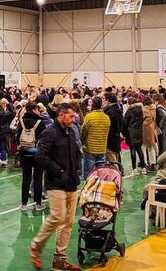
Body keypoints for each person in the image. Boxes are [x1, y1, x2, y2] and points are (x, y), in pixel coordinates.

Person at [30, 103, 82, 271]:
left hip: (72, 183)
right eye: (71, 116)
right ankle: (36, 246)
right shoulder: (49, 133)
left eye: (74, 117)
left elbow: (76, 152)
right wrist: (58, 171)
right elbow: (40, 157)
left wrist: (77, 169)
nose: (73, 120)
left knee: (67, 223)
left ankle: (60, 260)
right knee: (58, 217)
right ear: (61, 115)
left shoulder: (71, 132)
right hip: (55, 183)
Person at [17, 102, 46, 211]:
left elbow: (17, 137)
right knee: (38, 177)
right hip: (37, 152)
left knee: (26, 177)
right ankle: (38, 203)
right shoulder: (40, 122)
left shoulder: (21, 122)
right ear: (34, 109)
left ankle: (24, 204)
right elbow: (43, 139)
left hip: (24, 152)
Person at [79, 96, 110, 178]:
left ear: (92, 104)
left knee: (90, 174)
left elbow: (83, 132)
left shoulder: (89, 117)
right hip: (102, 148)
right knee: (101, 173)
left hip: (90, 149)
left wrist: (83, 141)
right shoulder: (106, 118)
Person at [123, 99, 146, 174]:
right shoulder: (140, 110)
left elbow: (125, 123)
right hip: (139, 131)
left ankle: (134, 169)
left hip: (131, 132)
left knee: (132, 149)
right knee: (139, 149)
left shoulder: (129, 111)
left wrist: (124, 133)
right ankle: (143, 168)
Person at [142, 96, 159, 171]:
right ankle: (153, 162)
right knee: (152, 146)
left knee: (143, 147)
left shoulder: (143, 109)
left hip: (145, 128)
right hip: (152, 128)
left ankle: (145, 163)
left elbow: (143, 118)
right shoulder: (154, 108)